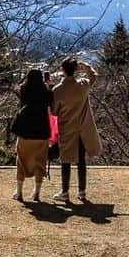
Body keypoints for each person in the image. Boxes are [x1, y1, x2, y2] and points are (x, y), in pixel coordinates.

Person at [49, 56, 101, 207]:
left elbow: (54, 111)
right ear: (75, 69)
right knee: (81, 160)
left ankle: (65, 192)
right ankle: (82, 191)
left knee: (66, 160)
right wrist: (84, 66)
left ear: (62, 70)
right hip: (83, 127)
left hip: (67, 128)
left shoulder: (58, 90)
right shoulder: (83, 85)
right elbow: (93, 75)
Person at [10, 69, 53, 203]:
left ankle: (19, 192)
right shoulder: (46, 92)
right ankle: (36, 193)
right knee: (40, 162)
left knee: (21, 161)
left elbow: (15, 87)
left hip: (25, 131)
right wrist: (47, 84)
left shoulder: (24, 90)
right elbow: (51, 101)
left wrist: (24, 79)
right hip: (42, 132)